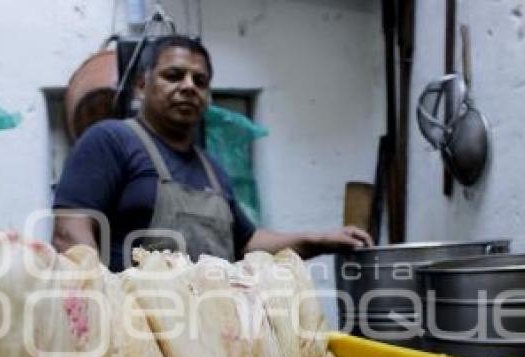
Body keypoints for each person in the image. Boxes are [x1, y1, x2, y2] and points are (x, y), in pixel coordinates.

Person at [52, 35, 372, 271]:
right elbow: (70, 233)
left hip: (212, 339)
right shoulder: (110, 141)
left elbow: (247, 244)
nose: (189, 86)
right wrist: (98, 307)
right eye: (174, 75)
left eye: (200, 80)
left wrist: (318, 240)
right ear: (141, 85)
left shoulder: (212, 171)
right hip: (135, 337)